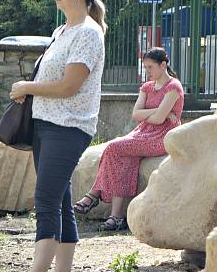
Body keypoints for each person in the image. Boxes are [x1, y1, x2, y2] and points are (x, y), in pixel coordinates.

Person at [8, 0, 106, 272]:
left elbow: (69, 86)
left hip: (68, 127)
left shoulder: (88, 34)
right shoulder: (61, 32)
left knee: (45, 200)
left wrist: (27, 86)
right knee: (61, 201)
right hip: (45, 124)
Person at [74, 47, 184, 231]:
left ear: (163, 65)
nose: (147, 71)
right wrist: (160, 112)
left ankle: (94, 194)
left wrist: (153, 115)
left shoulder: (174, 87)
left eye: (150, 67)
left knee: (114, 147)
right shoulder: (147, 87)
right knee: (124, 157)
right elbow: (135, 114)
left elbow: (157, 121)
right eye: (145, 67)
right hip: (142, 132)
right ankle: (116, 217)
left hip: (161, 135)